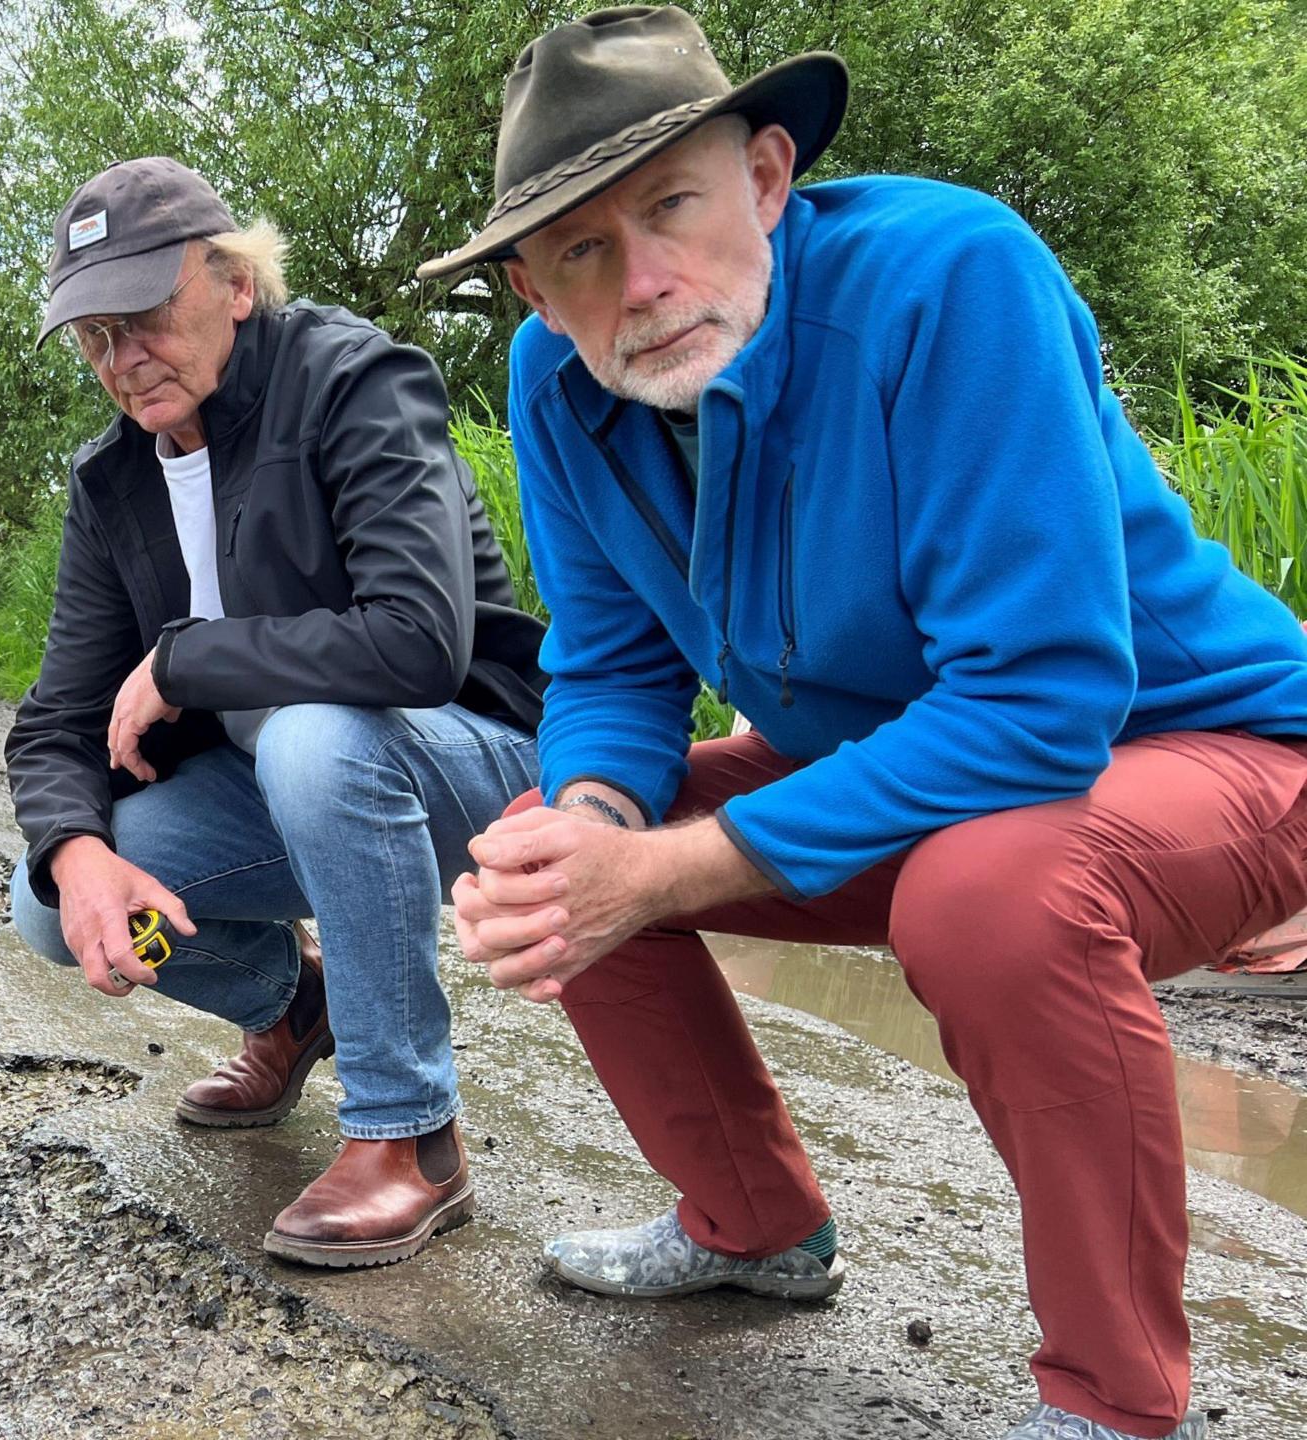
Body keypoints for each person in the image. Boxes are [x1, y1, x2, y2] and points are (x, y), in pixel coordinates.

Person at [422, 8, 1307, 1437]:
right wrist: (598, 829)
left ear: (768, 179)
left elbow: (1038, 700)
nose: (643, 282)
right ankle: (752, 1226)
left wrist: (671, 867)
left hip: (1205, 744)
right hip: (907, 748)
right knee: (550, 854)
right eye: (583, 249)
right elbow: (612, 668)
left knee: (990, 901)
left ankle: (1114, 1401)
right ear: (531, 290)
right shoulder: (557, 387)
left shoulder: (949, 280)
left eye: (673, 207)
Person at [3, 156, 546, 1267]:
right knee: (47, 904)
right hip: (286, 791)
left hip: (472, 763)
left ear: (234, 283)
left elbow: (416, 641)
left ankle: (411, 1136)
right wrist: (73, 849)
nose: (122, 357)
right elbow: (56, 720)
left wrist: (188, 660)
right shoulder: (111, 484)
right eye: (94, 336)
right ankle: (290, 1004)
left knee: (310, 734)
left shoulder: (354, 380)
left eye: (144, 313)